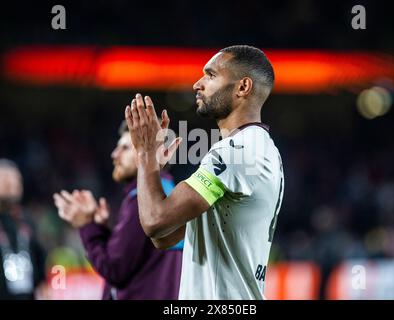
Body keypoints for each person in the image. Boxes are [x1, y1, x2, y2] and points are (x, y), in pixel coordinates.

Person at [124, 45, 284, 299]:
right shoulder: (260, 148)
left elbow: (155, 221)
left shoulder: (237, 151)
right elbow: (163, 238)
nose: (198, 84)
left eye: (211, 75)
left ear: (242, 87)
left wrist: (145, 156)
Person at [53, 121, 183, 300]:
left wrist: (86, 225)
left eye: (125, 148)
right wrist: (102, 230)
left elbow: (115, 270)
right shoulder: (170, 191)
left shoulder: (142, 200)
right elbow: (141, 264)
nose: (114, 155)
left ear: (148, 153)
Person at [0, 159, 46, 299]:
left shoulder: (26, 220)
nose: (15, 184)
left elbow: (39, 259)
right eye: (7, 179)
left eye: (17, 179)